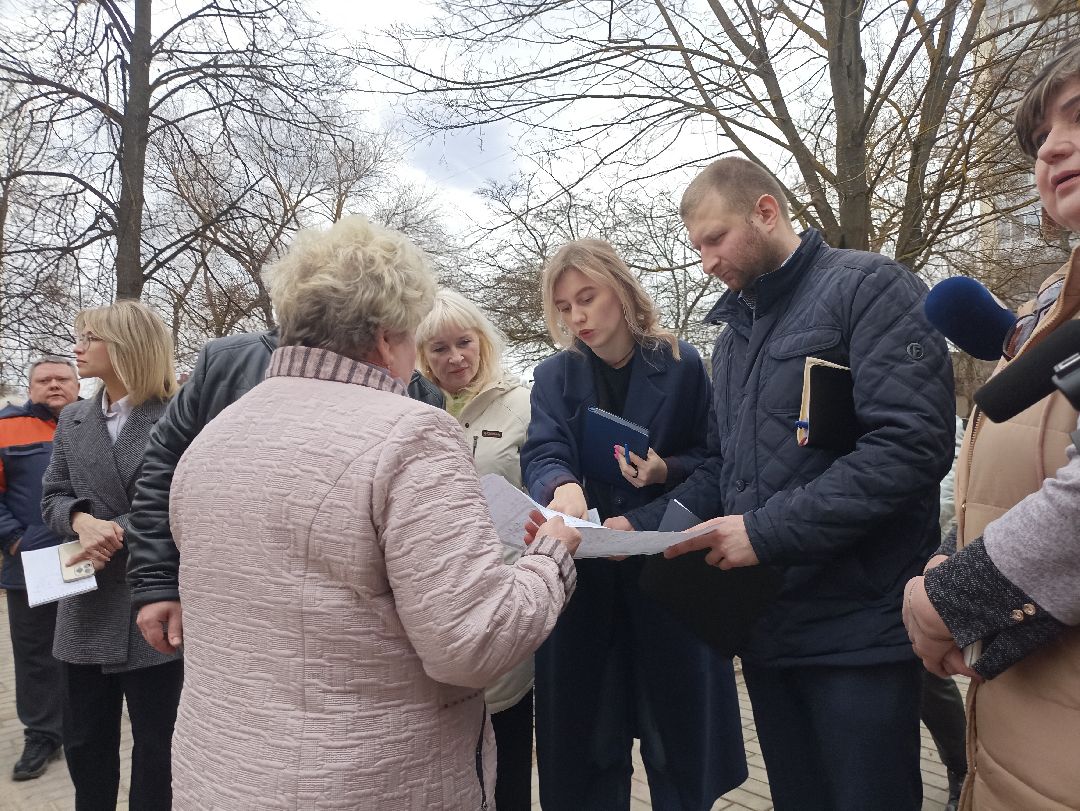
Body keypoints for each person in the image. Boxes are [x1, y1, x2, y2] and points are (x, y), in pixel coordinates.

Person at [167, 214, 580, 809]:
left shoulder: (217, 434)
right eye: (417, 338)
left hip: (219, 777)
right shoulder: (411, 434)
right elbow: (472, 642)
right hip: (366, 780)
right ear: (388, 339)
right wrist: (551, 556)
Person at [609, 158, 955, 810]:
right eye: (697, 248)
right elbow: (722, 469)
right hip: (769, 632)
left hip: (858, 633)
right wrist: (640, 526)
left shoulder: (871, 287)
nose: (706, 262)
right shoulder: (732, 342)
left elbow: (910, 447)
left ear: (766, 212)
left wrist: (763, 534)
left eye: (716, 239)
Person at [903, 43, 1080, 808]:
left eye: (1078, 118)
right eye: (1040, 137)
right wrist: (950, 556)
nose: (1052, 148)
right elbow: (1015, 479)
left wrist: (948, 599)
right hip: (1014, 749)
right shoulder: (1045, 309)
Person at [520, 238, 747, 810]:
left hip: (667, 578)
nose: (577, 316)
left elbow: (715, 464)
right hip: (585, 585)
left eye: (587, 298)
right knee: (589, 747)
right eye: (564, 306)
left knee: (678, 748)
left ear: (620, 292)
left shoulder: (682, 364)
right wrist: (561, 484)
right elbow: (543, 450)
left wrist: (652, 495)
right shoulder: (553, 375)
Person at [126, 329, 443, 656]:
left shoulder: (418, 391)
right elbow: (163, 468)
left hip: (352, 634)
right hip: (229, 606)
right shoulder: (225, 361)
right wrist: (157, 582)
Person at [40, 301, 183, 810]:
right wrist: (81, 522)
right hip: (85, 598)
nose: (77, 348)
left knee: (158, 745)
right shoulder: (75, 417)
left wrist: (112, 532)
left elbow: (183, 500)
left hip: (155, 598)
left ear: (127, 346)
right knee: (84, 741)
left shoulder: (180, 413)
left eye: (90, 338)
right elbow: (53, 495)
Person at [416, 288, 535, 810]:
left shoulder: (522, 404)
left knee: (507, 746)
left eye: (464, 342)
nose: (455, 358)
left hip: (503, 593)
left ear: (482, 341)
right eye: (439, 348)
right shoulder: (411, 408)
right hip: (434, 600)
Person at [0, 356, 79, 780]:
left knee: (88, 641)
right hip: (32, 560)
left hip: (92, 556)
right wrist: (14, 539)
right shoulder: (6, 427)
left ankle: (84, 720)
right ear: (30, 387)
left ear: (76, 384)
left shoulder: (94, 422)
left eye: (62, 378)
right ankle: (43, 734)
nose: (54, 385)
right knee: (35, 652)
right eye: (44, 379)